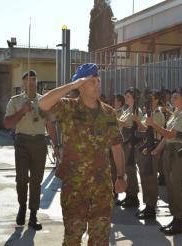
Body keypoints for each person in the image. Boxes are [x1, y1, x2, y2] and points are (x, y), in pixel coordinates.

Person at [38, 63, 127, 245]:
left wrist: (120, 176)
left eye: (98, 81)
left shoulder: (109, 113)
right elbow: (43, 103)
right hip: (75, 188)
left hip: (102, 187)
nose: (97, 85)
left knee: (100, 239)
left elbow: (116, 147)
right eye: (92, 81)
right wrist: (72, 85)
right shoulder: (68, 108)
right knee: (72, 239)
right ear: (81, 87)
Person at [4, 70, 58, 231]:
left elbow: (50, 125)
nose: (32, 82)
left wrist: (56, 146)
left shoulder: (44, 101)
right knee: (21, 178)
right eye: (28, 80)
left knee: (36, 181)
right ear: (23, 83)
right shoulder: (15, 101)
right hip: (22, 142)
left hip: (39, 142)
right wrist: (22, 111)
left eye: (34, 79)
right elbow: (7, 124)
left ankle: (33, 215)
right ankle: (22, 206)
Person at [146, 88, 182, 235]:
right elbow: (166, 138)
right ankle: (175, 218)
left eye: (176, 97)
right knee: (171, 187)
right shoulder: (175, 115)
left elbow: (170, 134)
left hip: (178, 153)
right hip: (169, 152)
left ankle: (180, 220)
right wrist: (156, 150)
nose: (173, 99)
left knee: (178, 186)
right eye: (173, 97)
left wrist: (153, 125)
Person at [133, 90, 165, 220]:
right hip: (143, 145)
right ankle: (147, 205)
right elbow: (141, 129)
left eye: (151, 99)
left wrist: (137, 122)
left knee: (151, 178)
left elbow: (148, 129)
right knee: (144, 176)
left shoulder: (157, 114)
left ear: (157, 100)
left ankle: (151, 207)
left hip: (152, 145)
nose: (149, 101)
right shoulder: (148, 113)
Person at [116, 87, 142, 208]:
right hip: (124, 142)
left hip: (130, 143)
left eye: (128, 96)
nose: (126, 98)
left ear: (134, 98)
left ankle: (133, 196)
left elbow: (131, 126)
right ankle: (128, 194)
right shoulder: (127, 110)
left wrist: (114, 119)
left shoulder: (136, 111)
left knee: (130, 169)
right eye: (125, 96)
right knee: (126, 169)